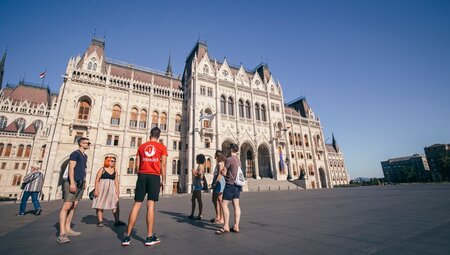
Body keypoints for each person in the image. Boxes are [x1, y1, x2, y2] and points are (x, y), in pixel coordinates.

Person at [122, 127, 167, 247]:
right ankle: (149, 237)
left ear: (150, 134)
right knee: (150, 205)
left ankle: (127, 236)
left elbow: (137, 163)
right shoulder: (162, 147)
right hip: (154, 177)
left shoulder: (142, 147)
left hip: (142, 175)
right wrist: (163, 179)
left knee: (137, 204)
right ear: (159, 136)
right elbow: (163, 164)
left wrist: (141, 174)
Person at [57, 137, 90, 244]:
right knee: (66, 206)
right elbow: (71, 168)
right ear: (81, 144)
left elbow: (84, 170)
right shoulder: (75, 154)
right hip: (72, 182)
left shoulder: (85, 156)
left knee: (74, 205)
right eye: (87, 143)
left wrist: (84, 182)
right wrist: (71, 182)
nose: (89, 144)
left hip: (80, 183)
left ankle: (68, 228)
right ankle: (62, 233)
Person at [92, 156, 126, 227]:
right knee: (100, 204)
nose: (113, 162)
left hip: (112, 188)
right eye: (111, 161)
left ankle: (117, 221)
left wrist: (117, 190)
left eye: (114, 161)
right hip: (102, 188)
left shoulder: (115, 170)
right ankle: (100, 221)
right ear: (107, 161)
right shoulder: (102, 169)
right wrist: (96, 189)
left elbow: (116, 181)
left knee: (115, 204)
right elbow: (97, 179)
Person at [216, 143, 242, 234]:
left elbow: (224, 172)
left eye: (229, 149)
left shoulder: (229, 159)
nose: (228, 150)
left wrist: (222, 171)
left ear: (231, 150)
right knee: (236, 205)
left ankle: (226, 226)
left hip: (230, 184)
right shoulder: (238, 160)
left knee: (223, 204)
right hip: (237, 185)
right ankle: (236, 226)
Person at [210, 150, 226, 224]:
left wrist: (215, 183)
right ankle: (218, 216)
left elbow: (220, 175)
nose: (215, 157)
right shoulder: (218, 163)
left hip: (219, 182)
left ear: (218, 156)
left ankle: (222, 218)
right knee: (215, 200)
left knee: (220, 200)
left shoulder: (220, 163)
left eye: (215, 156)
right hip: (217, 182)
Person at [189, 154, 205, 220]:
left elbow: (199, 176)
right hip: (197, 184)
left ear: (198, 159)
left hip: (198, 185)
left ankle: (199, 215)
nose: (196, 160)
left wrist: (193, 173)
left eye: (196, 159)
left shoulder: (201, 166)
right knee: (194, 199)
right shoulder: (199, 166)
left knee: (198, 199)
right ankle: (193, 214)